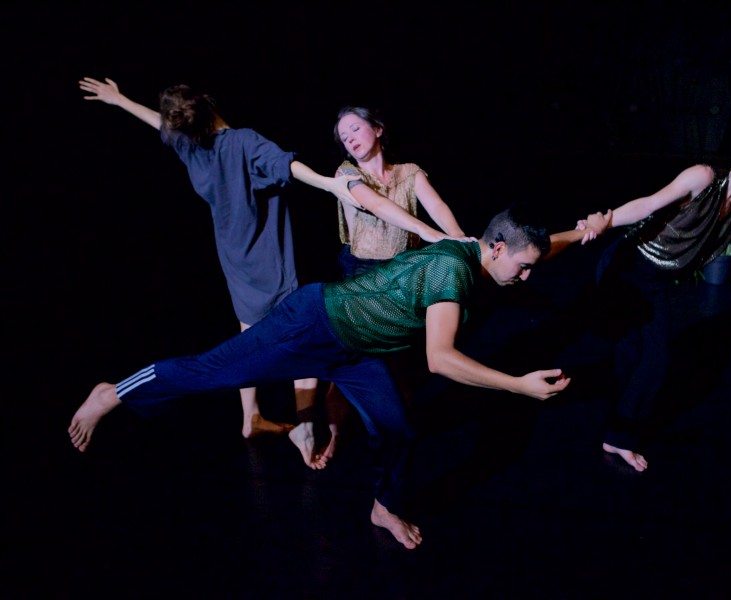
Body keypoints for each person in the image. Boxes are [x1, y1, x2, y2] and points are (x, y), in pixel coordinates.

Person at [68, 204, 607, 549]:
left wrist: (583, 233)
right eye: (523, 267)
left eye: (531, 266)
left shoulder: (481, 249)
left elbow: (540, 250)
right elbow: (440, 360)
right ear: (496, 248)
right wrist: (519, 386)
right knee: (209, 372)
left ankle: (383, 508)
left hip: (357, 353)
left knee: (400, 430)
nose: (527, 277)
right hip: (311, 325)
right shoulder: (453, 270)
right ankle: (112, 393)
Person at [77, 78, 464, 465]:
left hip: (236, 259)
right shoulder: (241, 141)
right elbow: (288, 167)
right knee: (284, 349)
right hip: (271, 263)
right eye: (344, 135)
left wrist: (120, 101)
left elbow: (164, 125)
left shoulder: (191, 144)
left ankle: (254, 417)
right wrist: (330, 184)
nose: (349, 139)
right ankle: (304, 423)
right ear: (208, 103)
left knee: (254, 340)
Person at [574, 141, 731, 472]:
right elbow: (649, 204)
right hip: (627, 268)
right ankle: (615, 432)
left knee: (652, 359)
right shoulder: (704, 177)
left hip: (656, 283)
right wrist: (604, 222)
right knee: (636, 354)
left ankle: (616, 432)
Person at [314, 105, 470, 466]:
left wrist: (460, 239)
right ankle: (334, 435)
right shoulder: (346, 174)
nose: (350, 139)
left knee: (399, 368)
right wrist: (430, 234)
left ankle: (400, 440)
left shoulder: (409, 173)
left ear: (378, 129)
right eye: (344, 137)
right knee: (349, 365)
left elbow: (437, 205)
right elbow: (377, 205)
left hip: (401, 276)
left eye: (355, 129)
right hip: (361, 277)